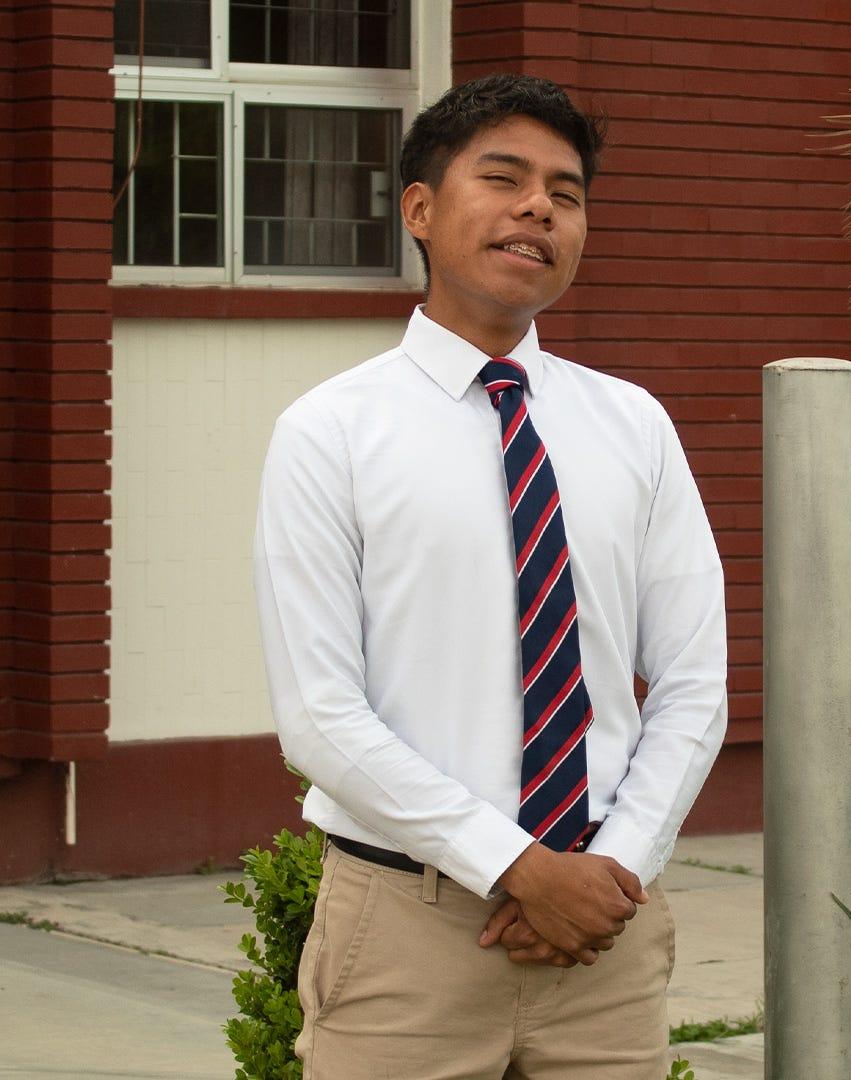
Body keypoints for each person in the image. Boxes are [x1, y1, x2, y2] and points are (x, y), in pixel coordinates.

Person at [251, 73, 727, 1078]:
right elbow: (321, 715)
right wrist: (515, 867)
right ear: (420, 210)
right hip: (407, 936)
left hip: (605, 935)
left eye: (567, 190)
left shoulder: (633, 426)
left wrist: (611, 870)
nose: (539, 208)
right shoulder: (331, 433)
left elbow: (694, 684)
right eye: (504, 177)